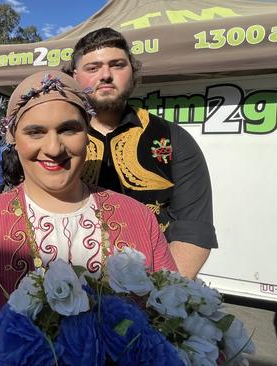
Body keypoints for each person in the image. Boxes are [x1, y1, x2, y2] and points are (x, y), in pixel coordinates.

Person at [0, 71, 177, 366]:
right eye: (35, 132)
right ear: (14, 139)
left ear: (87, 133)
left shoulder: (137, 217)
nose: (53, 148)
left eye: (68, 129)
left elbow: (173, 315)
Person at [68, 28, 217, 279]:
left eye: (117, 65)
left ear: (133, 71)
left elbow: (193, 231)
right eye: (93, 68)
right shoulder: (57, 142)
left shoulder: (172, 139)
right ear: (74, 77)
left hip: (155, 287)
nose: (105, 75)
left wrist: (157, 297)